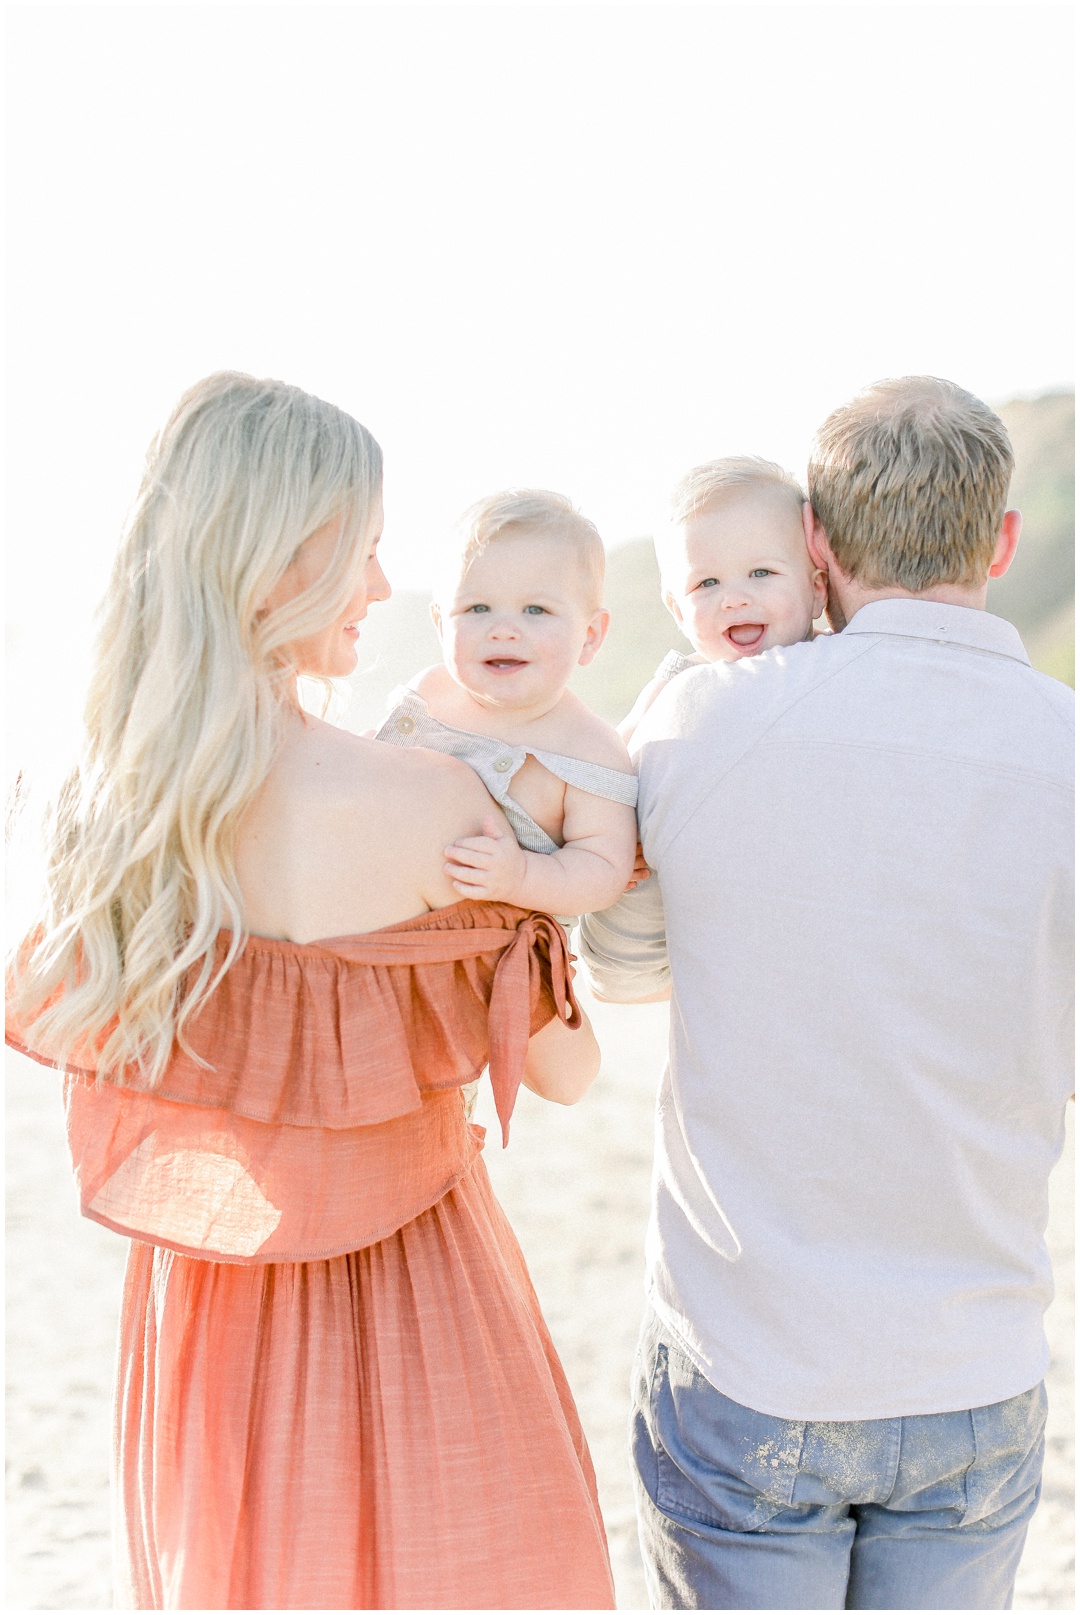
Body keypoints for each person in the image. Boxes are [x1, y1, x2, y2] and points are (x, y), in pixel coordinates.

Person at [6, 372, 616, 1610]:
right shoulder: (431, 802)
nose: (386, 591)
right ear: (284, 564)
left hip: (208, 1320)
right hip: (419, 1294)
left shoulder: (104, 816)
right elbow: (563, 1070)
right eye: (368, 551)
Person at [578, 376, 1073, 1611]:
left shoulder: (699, 719)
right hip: (972, 1360)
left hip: (752, 1363)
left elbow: (624, 965)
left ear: (817, 545)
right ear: (1002, 540)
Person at [377, 489, 638, 922]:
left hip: (489, 950)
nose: (503, 629)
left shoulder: (589, 749)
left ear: (589, 636)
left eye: (535, 610)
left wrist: (521, 876)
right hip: (378, 911)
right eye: (477, 607)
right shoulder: (429, 694)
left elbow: (603, 869)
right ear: (441, 625)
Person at [619, 456, 826, 742]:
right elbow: (621, 750)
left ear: (817, 589)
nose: (734, 599)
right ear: (678, 611)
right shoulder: (678, 680)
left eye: (761, 572)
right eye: (708, 583)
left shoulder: (835, 652)